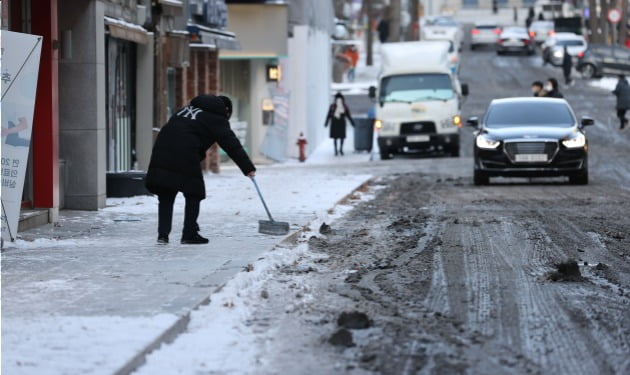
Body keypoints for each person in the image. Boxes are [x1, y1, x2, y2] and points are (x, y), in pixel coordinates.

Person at [145, 94, 256, 245]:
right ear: (226, 110)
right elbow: (231, 144)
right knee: (194, 193)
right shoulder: (216, 118)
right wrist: (247, 168)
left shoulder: (184, 110)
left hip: (161, 150)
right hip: (185, 154)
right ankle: (189, 234)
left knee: (166, 193)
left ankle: (163, 235)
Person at [324, 92, 355, 156]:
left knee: (340, 137)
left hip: (340, 123)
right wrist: (326, 122)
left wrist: (352, 122)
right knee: (337, 138)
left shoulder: (343, 106)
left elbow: (348, 115)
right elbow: (329, 114)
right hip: (336, 123)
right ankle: (337, 150)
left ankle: (340, 149)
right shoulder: (334, 106)